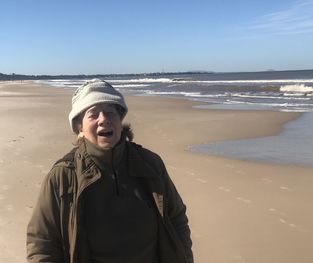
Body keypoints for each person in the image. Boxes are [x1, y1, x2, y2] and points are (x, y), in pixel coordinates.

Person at [27, 79, 193, 263]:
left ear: (119, 120)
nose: (103, 119)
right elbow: (42, 243)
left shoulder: (150, 163)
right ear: (79, 127)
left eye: (110, 112)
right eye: (93, 114)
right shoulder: (62, 176)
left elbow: (177, 218)